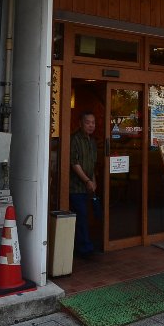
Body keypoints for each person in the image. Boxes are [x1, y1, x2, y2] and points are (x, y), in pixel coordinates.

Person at [69, 110, 102, 259]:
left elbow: (92, 164)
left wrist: (93, 181)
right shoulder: (74, 139)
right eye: (88, 122)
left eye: (93, 122)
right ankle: (85, 250)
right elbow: (74, 163)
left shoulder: (92, 141)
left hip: (88, 186)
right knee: (81, 216)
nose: (91, 125)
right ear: (80, 124)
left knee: (88, 216)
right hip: (75, 187)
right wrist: (87, 181)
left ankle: (86, 245)